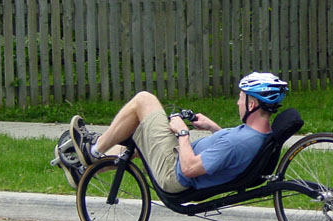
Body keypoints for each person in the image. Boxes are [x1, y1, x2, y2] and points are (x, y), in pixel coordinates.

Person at [65, 72, 288, 193]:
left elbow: (190, 168)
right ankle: (84, 172)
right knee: (148, 139)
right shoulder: (258, 135)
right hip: (179, 160)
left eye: (241, 98)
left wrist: (182, 133)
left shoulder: (238, 142)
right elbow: (229, 155)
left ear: (252, 105)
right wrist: (212, 128)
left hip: (175, 173)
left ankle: (93, 150)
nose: (237, 102)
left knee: (144, 100)